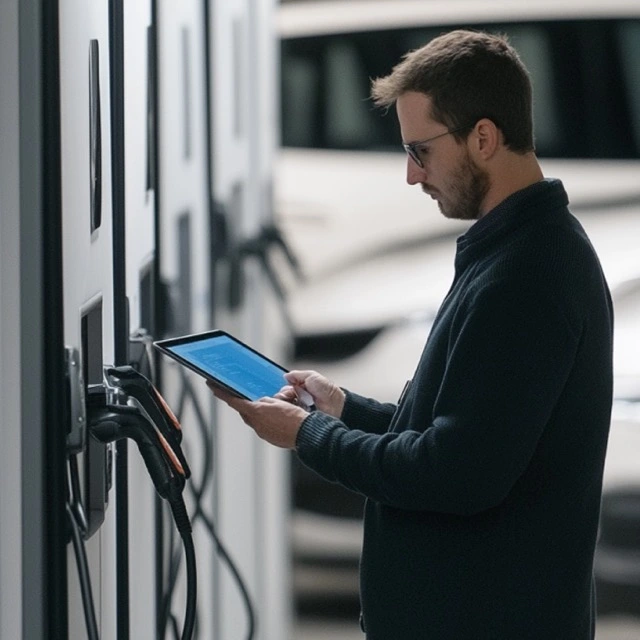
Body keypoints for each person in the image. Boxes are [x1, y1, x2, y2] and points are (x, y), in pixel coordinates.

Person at [210, 30, 614, 639]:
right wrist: (343, 409)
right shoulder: (512, 251)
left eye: (420, 152)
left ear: (483, 137)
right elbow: (461, 426)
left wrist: (309, 436)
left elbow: (454, 473)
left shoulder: (528, 276)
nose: (409, 174)